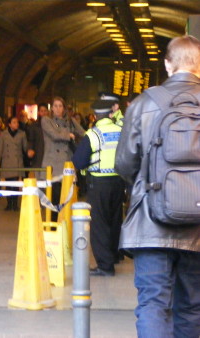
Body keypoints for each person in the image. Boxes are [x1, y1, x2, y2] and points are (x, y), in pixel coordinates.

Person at [115, 35, 200, 338]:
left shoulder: (143, 104)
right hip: (197, 229)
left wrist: (149, 187)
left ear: (167, 64)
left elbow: (124, 164)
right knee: (192, 307)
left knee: (153, 304)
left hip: (151, 224)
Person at [72, 99, 125, 277]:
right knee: (115, 219)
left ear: (95, 116)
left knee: (99, 224)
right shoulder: (121, 131)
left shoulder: (93, 134)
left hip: (99, 183)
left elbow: (79, 162)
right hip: (118, 181)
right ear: (110, 114)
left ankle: (105, 265)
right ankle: (115, 255)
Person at [41, 96, 85, 221]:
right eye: (55, 106)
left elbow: (83, 133)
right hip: (53, 164)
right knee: (54, 198)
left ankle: (65, 224)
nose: (58, 109)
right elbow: (54, 135)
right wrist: (69, 135)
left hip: (67, 162)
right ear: (52, 108)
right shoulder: (46, 120)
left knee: (67, 196)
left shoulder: (70, 121)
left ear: (64, 108)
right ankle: (53, 223)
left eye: (60, 106)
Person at [0, 116, 27, 211]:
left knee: (15, 184)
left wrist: (29, 151)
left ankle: (15, 204)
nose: (16, 124)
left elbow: (25, 147)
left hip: (17, 162)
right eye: (14, 122)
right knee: (8, 184)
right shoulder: (3, 135)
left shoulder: (22, 134)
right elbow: (0, 150)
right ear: (9, 124)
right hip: (7, 162)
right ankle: (9, 203)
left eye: (17, 122)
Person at [27, 103, 48, 173]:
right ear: (39, 112)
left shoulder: (52, 125)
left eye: (45, 111)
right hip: (38, 156)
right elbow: (31, 140)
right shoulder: (34, 126)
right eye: (42, 111)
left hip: (49, 155)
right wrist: (30, 149)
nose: (44, 113)